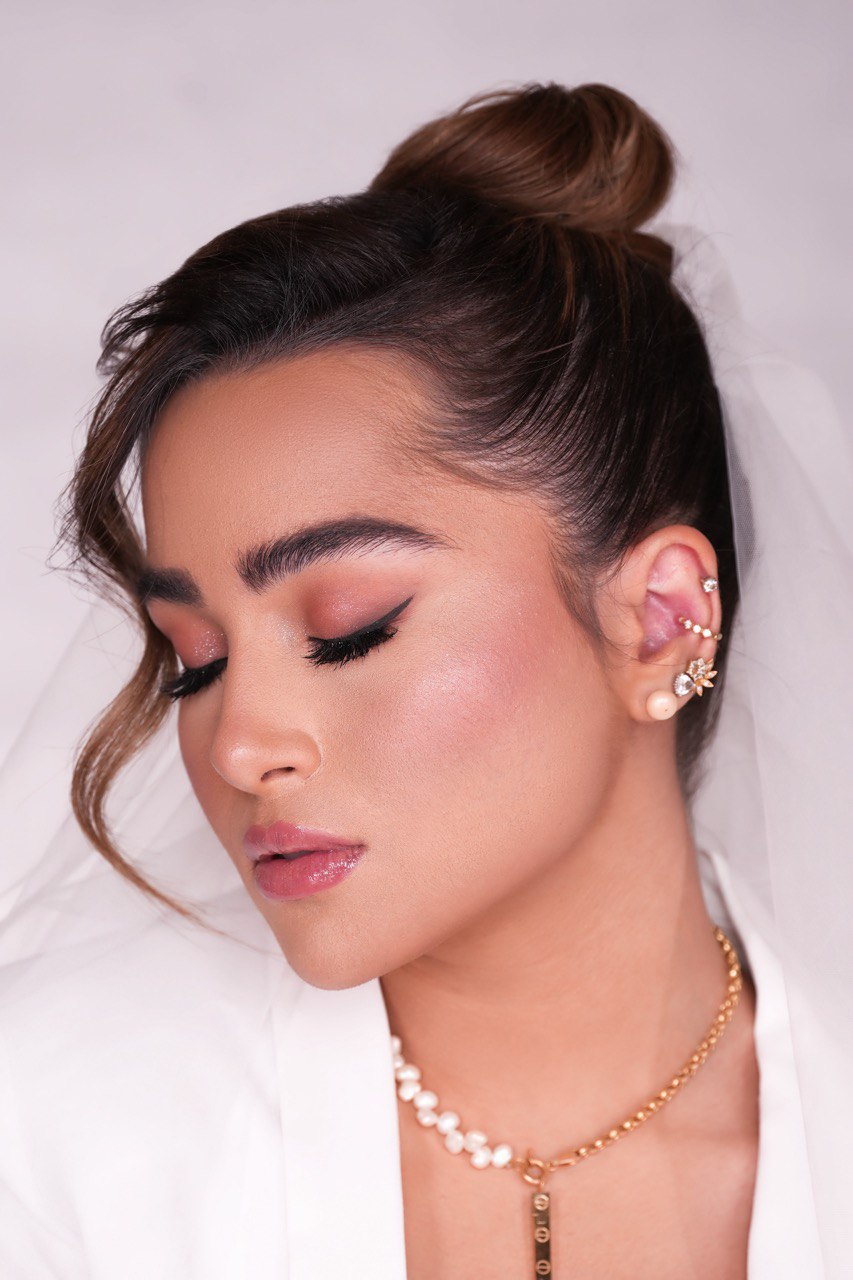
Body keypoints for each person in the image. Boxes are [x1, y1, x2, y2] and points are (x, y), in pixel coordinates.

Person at [0, 82, 849, 1279]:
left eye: (351, 629)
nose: (239, 744)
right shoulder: (52, 1139)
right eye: (196, 659)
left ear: (661, 620)